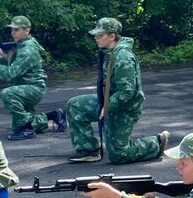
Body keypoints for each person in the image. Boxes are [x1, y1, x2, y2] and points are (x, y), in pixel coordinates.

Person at [65, 17, 167, 165]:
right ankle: (88, 150)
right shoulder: (108, 51)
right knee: (75, 105)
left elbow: (126, 92)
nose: (96, 38)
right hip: (110, 101)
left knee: (119, 154)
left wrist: (107, 107)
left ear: (112, 36)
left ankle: (155, 143)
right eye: (96, 35)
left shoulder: (122, 57)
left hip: (124, 108)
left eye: (100, 35)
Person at [0, 15, 59, 141]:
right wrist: (2, 57)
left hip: (32, 88)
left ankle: (28, 128)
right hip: (25, 86)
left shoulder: (28, 49)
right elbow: (17, 67)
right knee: (16, 127)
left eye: (17, 30)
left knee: (7, 94)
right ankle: (53, 116)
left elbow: (9, 74)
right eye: (12, 29)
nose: (13, 32)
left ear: (27, 30)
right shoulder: (22, 44)